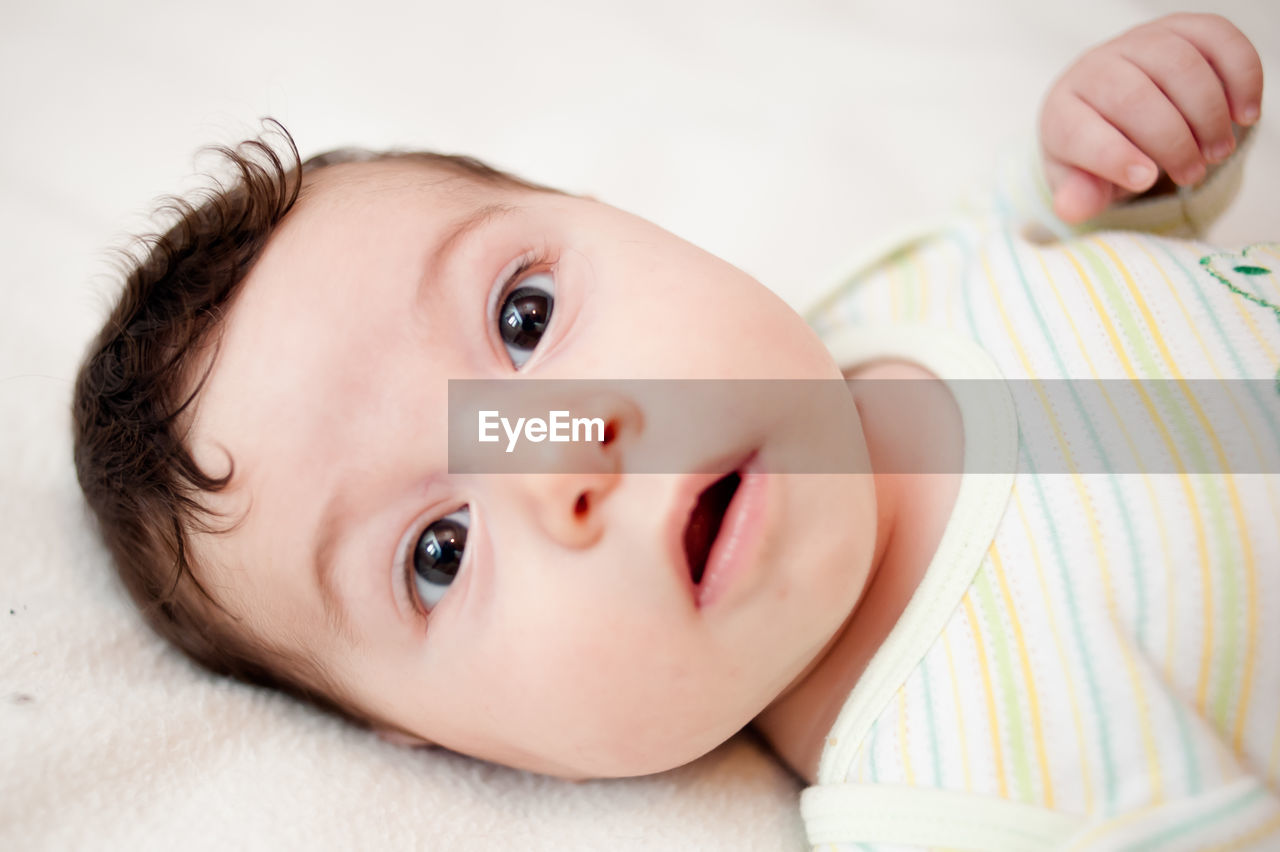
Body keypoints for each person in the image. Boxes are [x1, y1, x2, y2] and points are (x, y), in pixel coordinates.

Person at [73, 12, 1278, 848]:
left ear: (620, 218)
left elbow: (1056, 224)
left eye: (524, 318)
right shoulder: (976, 788)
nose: (562, 459)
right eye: (437, 550)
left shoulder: (884, 300)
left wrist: (1112, 149)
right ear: (449, 749)